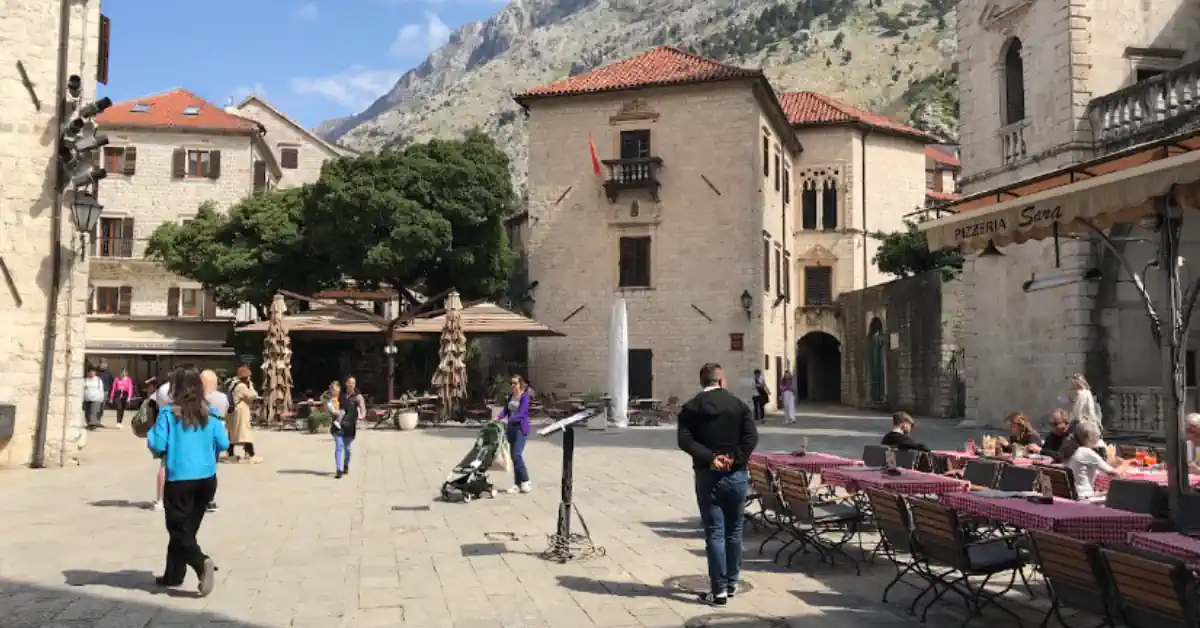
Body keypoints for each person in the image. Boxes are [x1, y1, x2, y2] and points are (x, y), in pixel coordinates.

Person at [678, 362, 758, 606]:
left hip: (708, 475)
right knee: (734, 532)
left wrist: (711, 459)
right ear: (722, 381)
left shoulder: (690, 408)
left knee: (715, 533)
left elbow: (685, 440)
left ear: (702, 382)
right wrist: (733, 459)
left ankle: (719, 590)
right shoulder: (739, 406)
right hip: (736, 475)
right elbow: (751, 437)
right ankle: (732, 582)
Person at [146, 365, 228, 597]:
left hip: (180, 479)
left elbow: (158, 444)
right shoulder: (209, 414)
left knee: (178, 529)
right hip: (207, 479)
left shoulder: (169, 415)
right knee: (186, 529)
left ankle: (202, 563)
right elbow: (223, 443)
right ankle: (173, 574)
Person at [1067, 420, 1129, 500]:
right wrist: (1127, 462)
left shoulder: (1077, 450)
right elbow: (1115, 473)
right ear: (1090, 437)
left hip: (1079, 494)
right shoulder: (1086, 452)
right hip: (1085, 497)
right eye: (1097, 436)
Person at [498, 374, 532, 494]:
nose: (513, 385)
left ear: (520, 384)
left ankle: (526, 480)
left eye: (515, 383)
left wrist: (508, 420)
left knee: (517, 455)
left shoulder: (524, 397)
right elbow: (506, 410)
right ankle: (517, 484)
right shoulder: (511, 397)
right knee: (513, 457)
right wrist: (499, 418)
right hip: (511, 429)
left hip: (520, 429)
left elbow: (522, 413)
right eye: (511, 383)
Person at [200, 370, 228, 513]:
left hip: (202, 430)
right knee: (212, 465)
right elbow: (227, 410)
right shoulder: (222, 397)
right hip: (219, 429)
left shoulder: (199, 398)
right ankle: (209, 499)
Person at [226, 365, 260, 463]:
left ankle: (231, 454)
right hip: (241, 411)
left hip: (235, 410)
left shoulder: (234, 384)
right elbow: (252, 395)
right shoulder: (241, 386)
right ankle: (251, 454)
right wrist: (252, 386)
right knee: (245, 433)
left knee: (234, 434)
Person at [331, 377, 363, 479]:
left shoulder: (358, 397)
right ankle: (339, 469)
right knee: (339, 447)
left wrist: (359, 417)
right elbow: (331, 403)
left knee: (347, 449)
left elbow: (363, 410)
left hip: (349, 426)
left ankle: (346, 464)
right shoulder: (340, 394)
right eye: (349, 383)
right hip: (338, 427)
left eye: (353, 383)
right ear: (346, 383)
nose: (351, 385)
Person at [1064, 374, 1105, 452]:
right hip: (1092, 423)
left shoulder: (1080, 394)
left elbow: (1077, 411)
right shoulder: (1087, 393)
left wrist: (1069, 422)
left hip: (1084, 424)